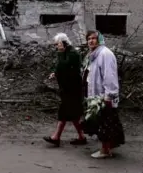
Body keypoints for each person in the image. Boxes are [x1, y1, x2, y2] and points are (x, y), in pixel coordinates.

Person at [83, 30, 125, 159]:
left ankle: (105, 150)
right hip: (96, 95)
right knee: (106, 122)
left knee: (105, 124)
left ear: (100, 39)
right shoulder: (94, 54)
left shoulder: (105, 54)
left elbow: (109, 76)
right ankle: (109, 145)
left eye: (94, 38)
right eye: (89, 38)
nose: (91, 41)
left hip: (104, 96)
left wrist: (109, 95)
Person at [43, 33, 87, 147]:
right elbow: (61, 68)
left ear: (63, 43)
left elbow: (66, 67)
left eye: (57, 44)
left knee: (65, 112)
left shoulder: (73, 53)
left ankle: (56, 137)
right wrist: (56, 73)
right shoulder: (65, 53)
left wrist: (60, 54)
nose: (56, 47)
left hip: (72, 89)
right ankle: (81, 137)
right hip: (67, 88)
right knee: (72, 114)